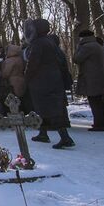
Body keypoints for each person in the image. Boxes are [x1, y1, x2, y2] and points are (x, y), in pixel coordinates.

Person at [25, 19, 74, 149]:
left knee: (51, 109)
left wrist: (27, 77)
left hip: (43, 80)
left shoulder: (38, 44)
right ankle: (43, 133)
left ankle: (65, 137)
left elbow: (33, 63)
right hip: (52, 79)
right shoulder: (50, 42)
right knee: (46, 108)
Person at [74, 30, 104, 131]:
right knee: (99, 101)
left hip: (91, 78)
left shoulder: (86, 47)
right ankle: (103, 122)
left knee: (94, 102)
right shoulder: (97, 46)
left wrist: (78, 48)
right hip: (100, 77)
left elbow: (77, 59)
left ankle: (99, 124)